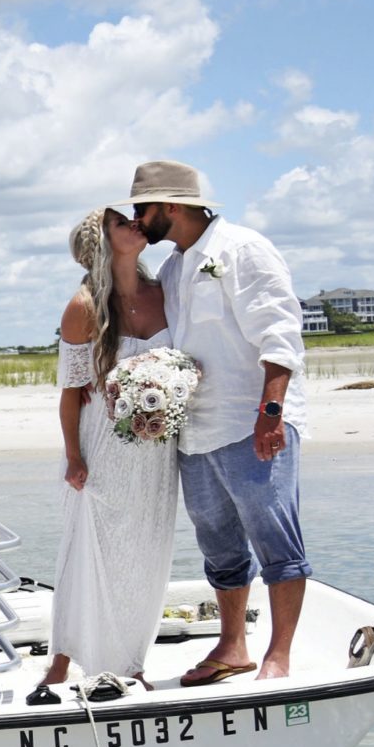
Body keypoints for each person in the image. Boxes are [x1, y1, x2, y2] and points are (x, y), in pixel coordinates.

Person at [128, 159, 311, 684]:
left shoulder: (243, 250)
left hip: (251, 421)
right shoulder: (173, 267)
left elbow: (281, 334)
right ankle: (233, 647)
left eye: (143, 209)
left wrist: (270, 413)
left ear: (170, 206)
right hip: (197, 430)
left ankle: (279, 655)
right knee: (218, 545)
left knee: (276, 538)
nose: (139, 220)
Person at [44, 209, 178, 691]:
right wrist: (74, 458)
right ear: (102, 243)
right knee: (87, 551)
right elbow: (69, 390)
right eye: (123, 222)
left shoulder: (164, 292)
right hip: (99, 445)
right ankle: (63, 657)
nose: (137, 223)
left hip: (156, 448)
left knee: (146, 551)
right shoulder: (82, 307)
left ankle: (130, 657)